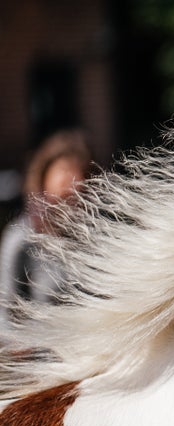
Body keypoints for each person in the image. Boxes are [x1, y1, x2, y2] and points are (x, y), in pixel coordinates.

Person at [0, 130, 93, 332]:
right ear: (44, 179)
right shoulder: (23, 238)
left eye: (79, 174)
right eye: (65, 172)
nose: (72, 183)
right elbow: (6, 312)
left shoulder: (93, 237)